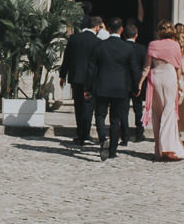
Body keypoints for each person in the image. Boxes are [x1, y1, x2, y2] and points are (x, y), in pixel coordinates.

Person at [86, 16, 138, 161]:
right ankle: (113, 149)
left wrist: (88, 87)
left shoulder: (99, 46)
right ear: (121, 30)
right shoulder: (128, 48)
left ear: (107, 29)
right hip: (120, 87)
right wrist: (135, 87)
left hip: (102, 85)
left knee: (100, 115)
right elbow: (134, 70)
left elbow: (91, 69)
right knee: (116, 119)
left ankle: (103, 139)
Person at [139, 20, 184, 161]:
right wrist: (179, 83)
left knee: (157, 112)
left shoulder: (153, 44)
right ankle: (168, 148)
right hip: (170, 76)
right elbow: (178, 67)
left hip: (156, 78)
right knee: (169, 110)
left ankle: (160, 149)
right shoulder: (175, 45)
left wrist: (140, 83)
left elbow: (147, 67)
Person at [59, 15, 103, 145]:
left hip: (76, 77)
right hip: (90, 79)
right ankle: (85, 134)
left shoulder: (74, 38)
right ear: (96, 27)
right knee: (88, 107)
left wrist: (62, 75)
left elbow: (66, 58)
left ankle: (79, 133)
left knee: (78, 106)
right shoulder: (97, 42)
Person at [122, 21, 148, 144]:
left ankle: (125, 135)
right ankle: (139, 133)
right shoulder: (142, 49)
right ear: (136, 35)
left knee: (123, 109)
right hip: (137, 82)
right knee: (138, 109)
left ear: (124, 35)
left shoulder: (121, 46)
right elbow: (145, 66)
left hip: (123, 82)